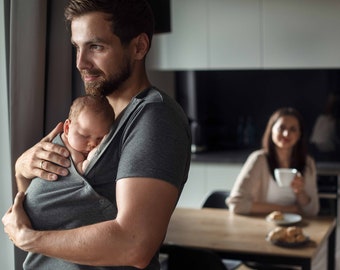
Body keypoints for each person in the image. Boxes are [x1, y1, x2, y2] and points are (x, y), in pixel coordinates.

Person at [2, 1, 192, 269]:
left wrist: (29, 239)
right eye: (77, 47)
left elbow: (134, 244)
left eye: (96, 47)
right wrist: (23, 169)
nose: (81, 63)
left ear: (139, 47)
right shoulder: (94, 115)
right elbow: (52, 209)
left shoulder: (153, 118)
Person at [23, 94, 116, 234]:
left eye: (101, 138)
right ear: (67, 128)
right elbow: (84, 168)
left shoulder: (76, 143)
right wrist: (95, 154)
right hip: (40, 209)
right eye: (84, 136)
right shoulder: (66, 150)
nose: (92, 144)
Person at [227, 107, 319, 216]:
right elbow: (236, 204)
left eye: (293, 129)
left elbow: (313, 212)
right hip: (261, 225)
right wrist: (286, 209)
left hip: (295, 227)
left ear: (299, 135)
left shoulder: (308, 163)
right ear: (271, 130)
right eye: (281, 128)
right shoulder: (259, 160)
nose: (286, 134)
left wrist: (300, 192)